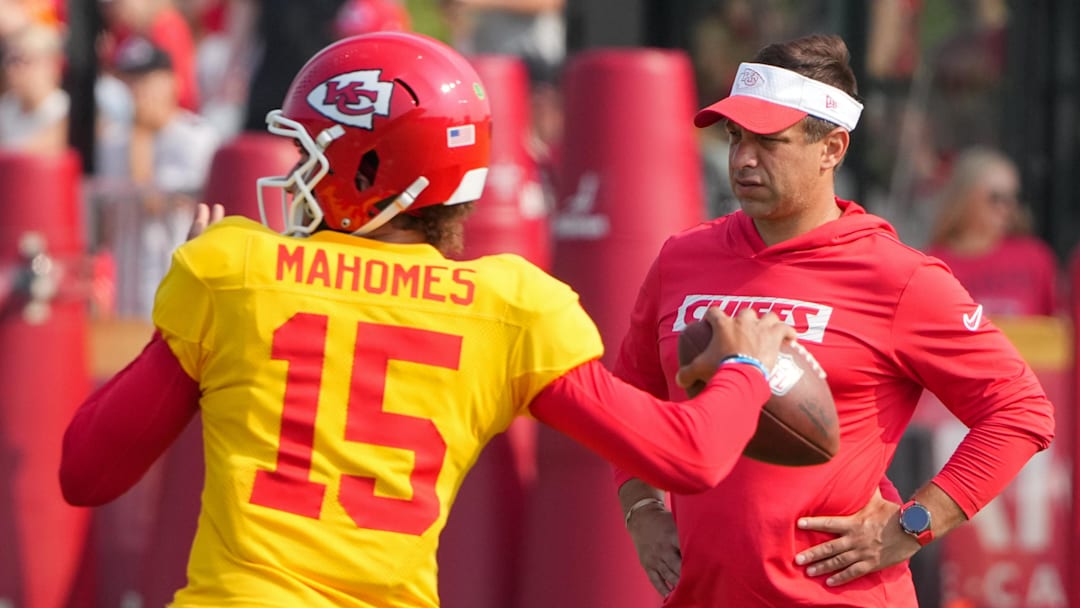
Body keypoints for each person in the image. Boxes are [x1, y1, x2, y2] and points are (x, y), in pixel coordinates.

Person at [60, 32, 798, 608]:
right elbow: (690, 458)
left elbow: (87, 471)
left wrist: (181, 322)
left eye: (313, 152)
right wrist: (748, 368)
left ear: (373, 168)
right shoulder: (508, 306)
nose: (297, 174)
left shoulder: (232, 271)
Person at [611, 33, 1054, 607]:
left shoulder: (899, 277)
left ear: (832, 148)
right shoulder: (681, 258)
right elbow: (627, 397)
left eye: (770, 141)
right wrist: (641, 508)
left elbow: (1020, 410)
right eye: (736, 136)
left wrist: (916, 522)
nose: (743, 158)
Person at [95, 36, 219, 318]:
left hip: (177, 280)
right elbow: (103, 220)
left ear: (173, 82)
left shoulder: (196, 136)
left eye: (149, 79)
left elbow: (153, 201)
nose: (139, 91)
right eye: (131, 81)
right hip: (125, 286)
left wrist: (140, 133)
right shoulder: (112, 141)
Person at [925, 146, 1059, 317]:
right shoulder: (934, 264)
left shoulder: (1035, 258)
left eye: (1012, 198)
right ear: (965, 198)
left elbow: (1055, 329)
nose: (1007, 208)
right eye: (995, 198)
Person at [0, 21, 69, 154]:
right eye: (7, 61)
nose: (10, 70)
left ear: (51, 64)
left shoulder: (66, 110)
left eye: (20, 60)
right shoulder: (6, 106)